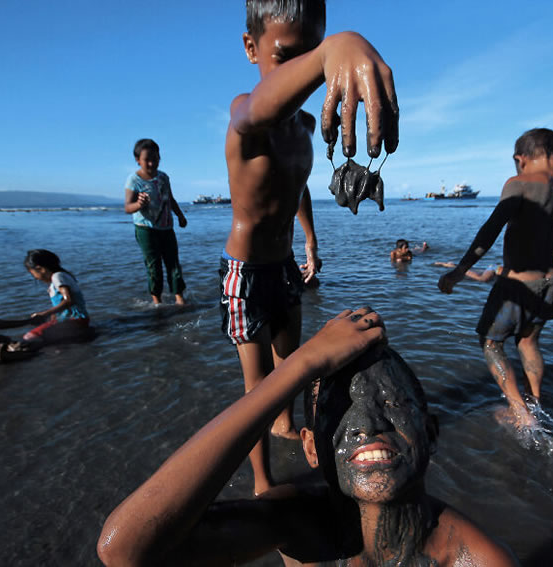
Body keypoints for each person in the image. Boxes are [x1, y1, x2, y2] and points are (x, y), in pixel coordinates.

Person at [97, 307, 519, 567]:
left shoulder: (474, 559)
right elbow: (125, 550)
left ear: (430, 433)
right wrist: (298, 367)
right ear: (312, 449)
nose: (367, 424)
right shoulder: (301, 522)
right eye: (341, 415)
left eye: (390, 404)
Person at [219, 0, 398, 495]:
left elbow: (296, 186)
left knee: (289, 363)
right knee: (258, 390)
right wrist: (332, 50)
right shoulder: (244, 111)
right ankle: (262, 483)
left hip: (282, 263)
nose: (305, 69)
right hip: (246, 270)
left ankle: (285, 427)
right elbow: (259, 107)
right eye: (286, 56)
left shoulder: (302, 128)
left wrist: (311, 241)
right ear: (251, 48)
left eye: (312, 54)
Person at [438, 128, 553, 429]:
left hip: (518, 285)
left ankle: (521, 413)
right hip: (552, 285)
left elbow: (491, 228)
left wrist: (461, 270)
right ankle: (535, 402)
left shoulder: (518, 183)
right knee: (528, 341)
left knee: (490, 342)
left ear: (520, 159)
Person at [124, 138, 188, 305]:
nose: (152, 163)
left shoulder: (163, 177)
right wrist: (138, 204)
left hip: (167, 227)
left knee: (173, 264)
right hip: (146, 229)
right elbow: (127, 207)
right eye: (147, 160)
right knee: (154, 267)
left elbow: (170, 199)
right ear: (138, 160)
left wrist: (180, 216)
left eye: (155, 158)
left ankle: (179, 298)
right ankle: (157, 301)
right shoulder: (134, 180)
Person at [23, 249, 92, 345]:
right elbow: (60, 304)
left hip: (76, 320)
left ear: (40, 269)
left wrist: (44, 314)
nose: (35, 277)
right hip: (71, 320)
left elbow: (68, 301)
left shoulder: (57, 277)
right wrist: (52, 319)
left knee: (29, 337)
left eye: (32, 273)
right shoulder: (58, 278)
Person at [433, 262, 501, 283]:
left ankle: (453, 266)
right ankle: (454, 267)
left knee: (479, 273)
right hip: (495, 269)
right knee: (482, 278)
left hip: (496, 269)